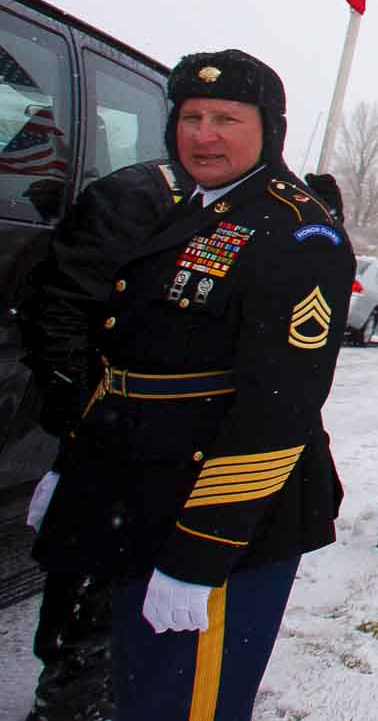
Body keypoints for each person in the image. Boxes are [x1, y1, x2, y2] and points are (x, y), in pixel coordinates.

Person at [29, 49, 355, 721]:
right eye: (191, 116)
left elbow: (279, 409)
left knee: (186, 708)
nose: (203, 134)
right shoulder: (192, 208)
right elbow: (133, 357)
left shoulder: (300, 233)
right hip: (141, 496)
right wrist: (74, 463)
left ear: (269, 129)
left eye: (225, 118)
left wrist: (202, 553)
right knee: (143, 694)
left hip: (224, 522)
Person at [18, 156, 192, 721]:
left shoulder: (239, 205)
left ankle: (99, 681)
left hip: (173, 432)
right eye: (196, 117)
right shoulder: (140, 194)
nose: (207, 136)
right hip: (110, 418)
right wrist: (79, 409)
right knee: (89, 561)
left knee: (133, 575)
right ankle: (70, 692)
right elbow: (65, 304)